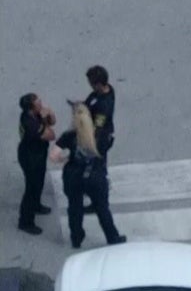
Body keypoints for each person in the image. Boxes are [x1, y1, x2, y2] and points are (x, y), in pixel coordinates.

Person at [53, 101, 125, 249]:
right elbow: (108, 145)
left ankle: (76, 238)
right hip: (95, 176)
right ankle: (112, 237)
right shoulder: (101, 135)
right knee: (102, 208)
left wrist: (67, 158)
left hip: (73, 176)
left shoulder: (69, 136)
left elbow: (54, 156)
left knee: (74, 207)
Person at [17, 93, 56, 235]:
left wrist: (49, 114)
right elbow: (51, 135)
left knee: (39, 182)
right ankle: (25, 221)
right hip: (30, 157)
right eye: (37, 101)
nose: (41, 102)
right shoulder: (30, 122)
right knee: (31, 188)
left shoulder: (35, 114)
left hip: (38, 154)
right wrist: (45, 120)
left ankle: (36, 205)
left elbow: (52, 122)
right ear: (31, 107)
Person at [85, 65, 115, 158]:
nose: (91, 86)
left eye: (92, 84)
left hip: (100, 139)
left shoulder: (104, 105)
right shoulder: (104, 91)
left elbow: (98, 126)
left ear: (98, 84)